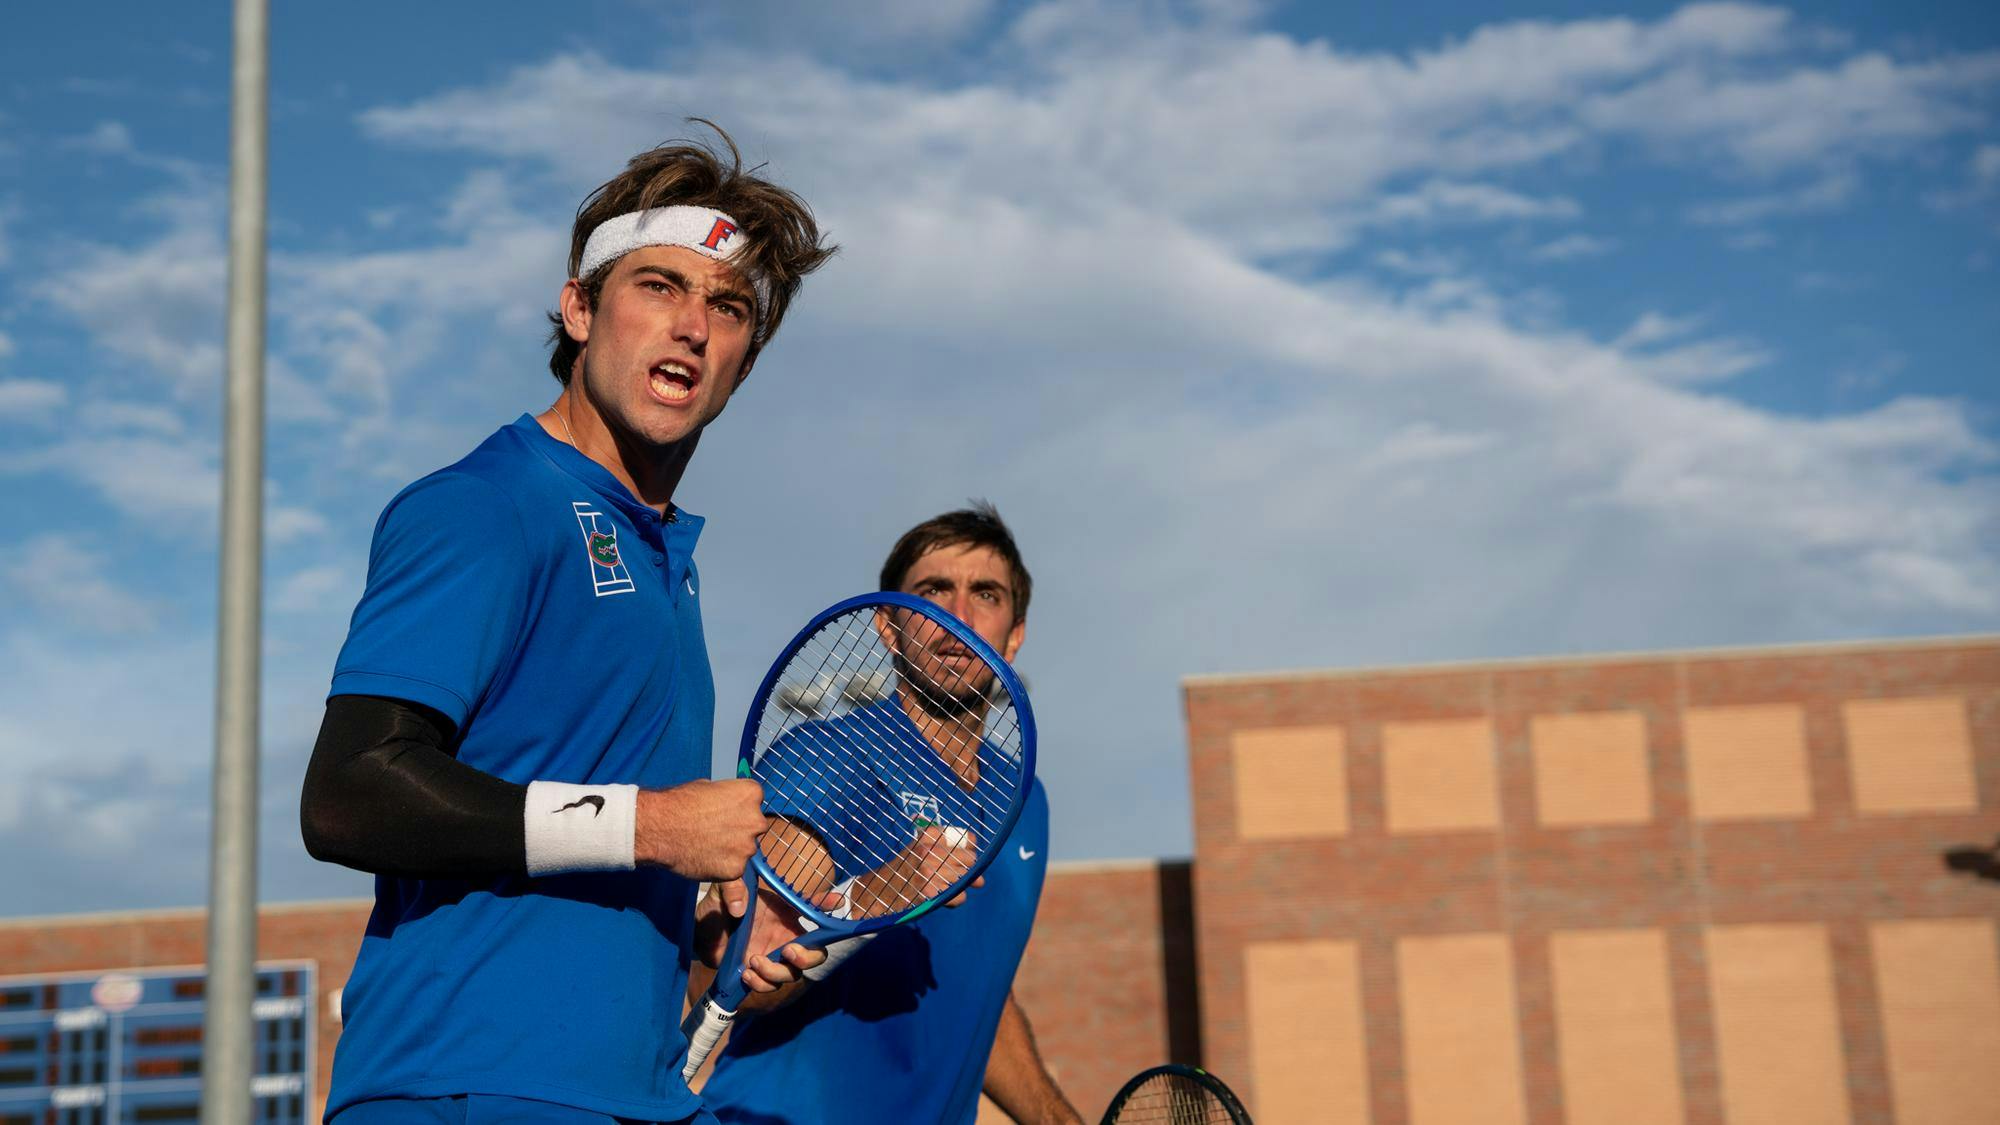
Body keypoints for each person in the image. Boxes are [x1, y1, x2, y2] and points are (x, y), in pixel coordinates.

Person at [299, 124, 836, 1125]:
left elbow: (597, 859)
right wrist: (657, 826)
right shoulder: (486, 503)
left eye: (727, 308)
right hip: (462, 1087)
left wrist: (708, 926)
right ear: (579, 309)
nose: (691, 326)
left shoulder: (664, 560)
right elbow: (348, 794)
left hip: (629, 1093)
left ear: (743, 363)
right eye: (657, 287)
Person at [694, 505, 1084, 1125]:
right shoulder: (829, 756)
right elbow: (736, 975)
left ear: (1015, 635)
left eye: (986, 594)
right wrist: (885, 892)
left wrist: (1056, 1118)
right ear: (886, 624)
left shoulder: (1023, 799)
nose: (957, 615)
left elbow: (971, 988)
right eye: (933, 590)